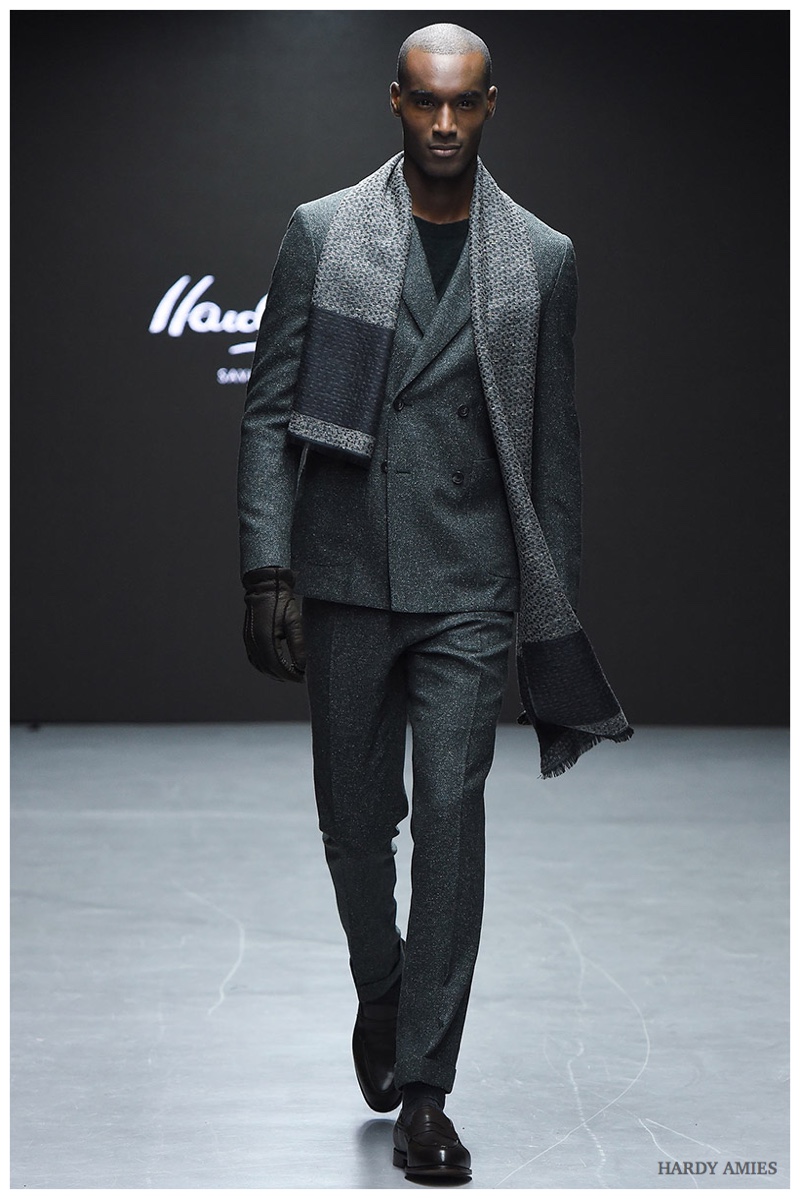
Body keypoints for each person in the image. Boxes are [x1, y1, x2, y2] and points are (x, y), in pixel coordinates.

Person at [237, 22, 631, 1184]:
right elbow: (268, 411)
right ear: (395, 102)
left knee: (452, 823)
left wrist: (548, 611)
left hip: (469, 582)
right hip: (346, 571)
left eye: (463, 103)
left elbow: (551, 451)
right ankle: (384, 986)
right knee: (355, 825)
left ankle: (425, 1089)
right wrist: (266, 566)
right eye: (425, 102)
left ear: (490, 104)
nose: (444, 123)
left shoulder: (540, 258)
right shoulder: (325, 233)